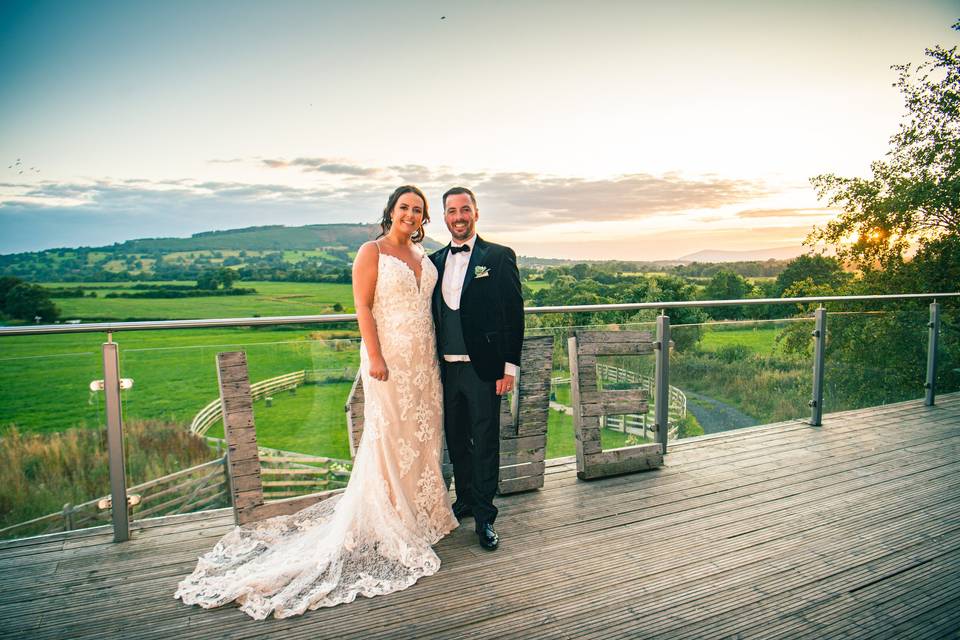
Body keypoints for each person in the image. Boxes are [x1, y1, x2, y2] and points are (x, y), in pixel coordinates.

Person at [174, 185, 457, 620]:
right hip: (390, 359)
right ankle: (389, 521)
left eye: (418, 210)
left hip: (425, 361)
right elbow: (363, 307)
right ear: (391, 211)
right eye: (404, 207)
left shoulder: (425, 258)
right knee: (389, 437)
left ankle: (421, 513)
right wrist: (376, 356)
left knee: (422, 436)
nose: (411, 214)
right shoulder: (371, 251)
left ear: (424, 219)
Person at [429, 187, 525, 551]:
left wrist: (509, 366)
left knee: (484, 443)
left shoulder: (499, 257)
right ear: (445, 217)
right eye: (452, 211)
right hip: (445, 371)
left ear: (476, 213)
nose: (459, 216)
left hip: (484, 369)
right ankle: (466, 500)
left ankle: (485, 517)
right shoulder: (434, 261)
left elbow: (513, 315)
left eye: (464, 209)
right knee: (456, 442)